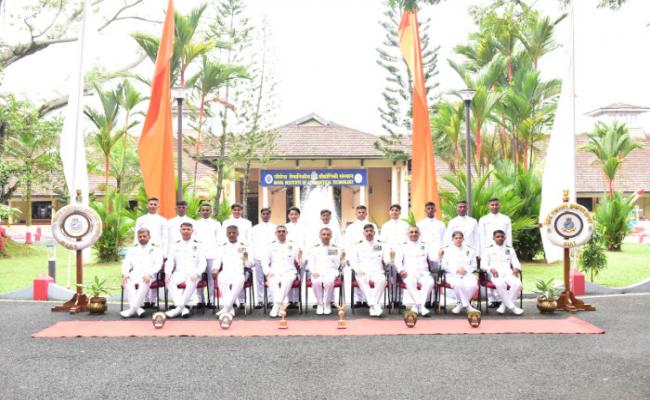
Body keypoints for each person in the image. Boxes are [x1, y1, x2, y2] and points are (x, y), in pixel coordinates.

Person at [164, 222, 206, 319]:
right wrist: (168, 273)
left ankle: (177, 309)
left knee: (192, 280)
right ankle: (182, 308)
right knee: (168, 280)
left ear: (192, 231)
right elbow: (170, 261)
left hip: (193, 272)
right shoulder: (175, 245)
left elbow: (203, 262)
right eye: (183, 229)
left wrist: (197, 273)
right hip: (179, 272)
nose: (186, 231)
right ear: (180, 231)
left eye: (188, 229)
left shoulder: (199, 244)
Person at [120, 228, 163, 318]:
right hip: (135, 273)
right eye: (140, 236)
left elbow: (158, 265)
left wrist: (150, 274)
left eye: (144, 236)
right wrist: (126, 274)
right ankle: (138, 309)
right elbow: (126, 264)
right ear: (137, 237)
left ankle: (132, 309)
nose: (142, 238)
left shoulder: (156, 249)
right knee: (126, 280)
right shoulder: (132, 250)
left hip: (149, 274)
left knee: (145, 281)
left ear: (149, 237)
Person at [349, 224, 391, 317]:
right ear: (363, 233)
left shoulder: (381, 245)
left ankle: (372, 305)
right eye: (367, 231)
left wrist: (390, 259)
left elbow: (386, 260)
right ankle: (375, 305)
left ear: (374, 232)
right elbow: (353, 260)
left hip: (377, 271)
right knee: (361, 279)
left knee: (382, 280)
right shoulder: (357, 245)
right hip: (363, 271)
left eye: (371, 231)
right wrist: (358, 269)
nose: (369, 233)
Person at [134, 197, 168, 308]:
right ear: (147, 206)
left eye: (155, 204)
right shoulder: (140, 219)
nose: (153, 206)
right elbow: (136, 235)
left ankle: (153, 300)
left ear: (158, 206)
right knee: (143, 272)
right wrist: (136, 248)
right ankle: (144, 300)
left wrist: (165, 254)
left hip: (157, 249)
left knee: (154, 274)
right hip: (143, 248)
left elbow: (165, 237)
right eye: (151, 204)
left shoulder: (163, 220)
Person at [213, 225, 254, 317]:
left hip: (239, 273)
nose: (231, 234)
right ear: (226, 234)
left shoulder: (245, 246)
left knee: (239, 280)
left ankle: (226, 308)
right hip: (226, 272)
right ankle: (229, 309)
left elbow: (251, 264)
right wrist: (215, 269)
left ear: (238, 234)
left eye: (234, 233)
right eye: (229, 233)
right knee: (221, 278)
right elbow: (217, 261)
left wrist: (246, 260)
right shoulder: (222, 247)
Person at [395, 226, 437, 316]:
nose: (414, 234)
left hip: (424, 273)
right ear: (407, 234)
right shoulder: (402, 246)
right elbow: (397, 261)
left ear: (419, 233)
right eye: (411, 232)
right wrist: (401, 270)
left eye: (416, 232)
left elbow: (433, 258)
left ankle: (417, 306)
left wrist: (439, 254)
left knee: (430, 282)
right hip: (409, 273)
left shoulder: (426, 245)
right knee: (410, 282)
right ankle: (421, 306)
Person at [261, 225, 300, 318]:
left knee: (286, 281)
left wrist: (300, 258)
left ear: (287, 233)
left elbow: (299, 260)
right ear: (276, 233)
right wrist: (267, 272)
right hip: (274, 271)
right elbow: (264, 261)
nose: (281, 233)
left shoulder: (294, 245)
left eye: (283, 231)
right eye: (279, 231)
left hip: (289, 271)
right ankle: (282, 305)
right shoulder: (270, 246)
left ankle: (276, 305)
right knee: (272, 281)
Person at [482, 230, 524, 315]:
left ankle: (504, 305)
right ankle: (513, 307)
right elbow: (483, 264)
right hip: (495, 274)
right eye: (498, 237)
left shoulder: (509, 249)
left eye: (502, 236)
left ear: (505, 238)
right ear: (493, 238)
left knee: (518, 284)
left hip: (508, 273)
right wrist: (491, 269)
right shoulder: (488, 250)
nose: (500, 238)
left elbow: (516, 262)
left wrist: (516, 268)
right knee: (500, 284)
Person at [304, 227, 342, 315]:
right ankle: (320, 304)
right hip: (317, 271)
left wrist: (341, 260)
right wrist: (313, 272)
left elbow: (337, 264)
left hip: (331, 272)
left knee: (329, 282)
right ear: (320, 236)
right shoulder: (314, 248)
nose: (326, 236)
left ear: (331, 236)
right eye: (324, 234)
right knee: (316, 281)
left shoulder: (335, 248)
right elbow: (311, 263)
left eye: (328, 235)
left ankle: (327, 304)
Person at [221, 203, 253, 307]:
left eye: (239, 210)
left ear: (241, 211)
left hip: (242, 248)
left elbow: (249, 237)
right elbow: (223, 236)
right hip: (229, 247)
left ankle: (242, 301)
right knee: (227, 275)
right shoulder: (226, 222)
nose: (237, 211)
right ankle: (232, 302)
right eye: (235, 210)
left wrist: (248, 252)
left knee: (241, 274)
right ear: (232, 211)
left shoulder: (247, 223)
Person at [343, 205, 376, 305]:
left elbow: (376, 241)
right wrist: (348, 257)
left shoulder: (372, 225)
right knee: (357, 276)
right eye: (359, 212)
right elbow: (347, 242)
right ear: (356, 213)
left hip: (368, 256)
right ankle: (357, 299)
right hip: (355, 256)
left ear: (366, 213)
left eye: (363, 212)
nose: (361, 214)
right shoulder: (351, 227)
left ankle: (366, 300)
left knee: (367, 277)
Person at [441, 231, 479, 315]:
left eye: (460, 238)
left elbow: (474, 265)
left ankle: (460, 305)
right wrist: (456, 270)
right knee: (458, 284)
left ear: (463, 239)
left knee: (474, 285)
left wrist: (466, 270)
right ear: (453, 239)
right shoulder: (446, 250)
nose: (458, 240)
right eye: (456, 238)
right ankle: (468, 307)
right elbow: (443, 265)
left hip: (467, 273)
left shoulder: (470, 250)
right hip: (452, 274)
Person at [193, 203, 221, 306]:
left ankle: (211, 300)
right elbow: (193, 239)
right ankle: (200, 300)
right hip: (199, 255)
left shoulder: (216, 224)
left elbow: (219, 240)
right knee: (198, 277)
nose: (205, 212)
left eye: (207, 210)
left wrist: (218, 254)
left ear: (211, 212)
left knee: (211, 278)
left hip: (212, 254)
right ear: (200, 212)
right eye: (203, 210)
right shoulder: (195, 224)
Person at [251, 208, 277, 308]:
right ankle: (260, 300)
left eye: (267, 214)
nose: (265, 215)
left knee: (271, 278)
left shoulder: (275, 227)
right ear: (261, 215)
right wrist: (253, 256)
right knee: (259, 280)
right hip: (258, 256)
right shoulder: (255, 228)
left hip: (271, 258)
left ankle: (271, 300)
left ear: (270, 215)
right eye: (263, 214)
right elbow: (252, 243)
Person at [285, 206, 306, 308]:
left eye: (295, 214)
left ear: (299, 215)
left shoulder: (304, 227)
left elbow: (307, 242)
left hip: (301, 255)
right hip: (288, 255)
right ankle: (289, 300)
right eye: (291, 214)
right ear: (288, 216)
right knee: (288, 277)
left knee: (299, 278)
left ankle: (297, 300)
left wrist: (303, 254)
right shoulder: (285, 227)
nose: (293, 216)